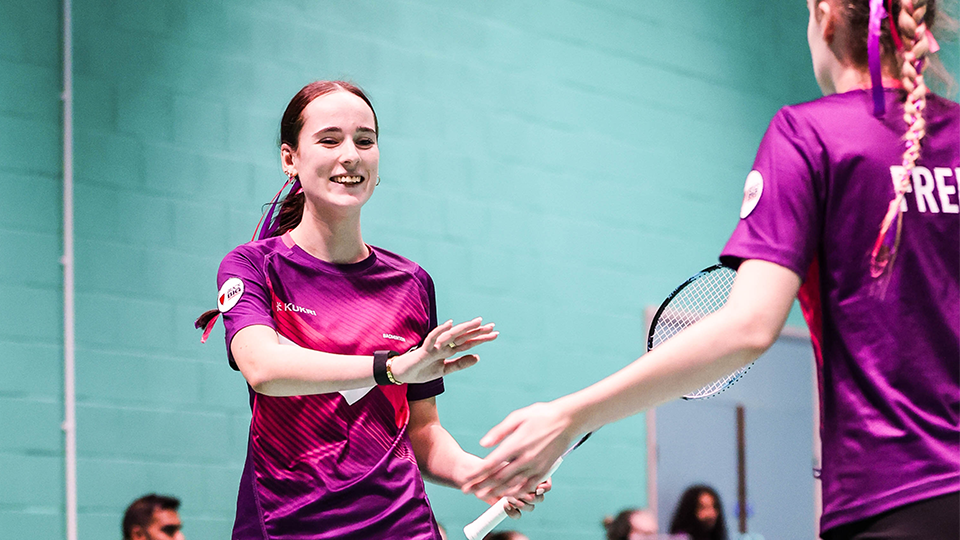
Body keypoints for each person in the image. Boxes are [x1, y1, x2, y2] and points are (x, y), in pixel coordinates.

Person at [462, 1, 958, 539]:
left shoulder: (809, 135)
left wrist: (571, 415)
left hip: (893, 497)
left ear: (826, 15)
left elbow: (747, 327)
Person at [199, 81, 547, 539]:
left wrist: (477, 474)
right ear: (290, 159)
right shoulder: (253, 266)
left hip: (404, 526)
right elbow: (263, 368)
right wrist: (394, 369)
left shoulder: (411, 283)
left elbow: (421, 432)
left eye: (365, 141)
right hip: (288, 526)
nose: (351, 155)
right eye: (329, 140)